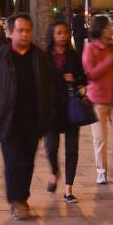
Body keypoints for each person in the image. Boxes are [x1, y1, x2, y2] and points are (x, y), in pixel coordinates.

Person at [0, 14, 55, 220]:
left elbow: (49, 89)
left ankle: (22, 197)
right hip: (8, 120)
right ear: (10, 33)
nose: (24, 34)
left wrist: (46, 118)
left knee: (27, 162)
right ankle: (16, 201)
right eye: (20, 30)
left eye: (28, 30)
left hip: (32, 120)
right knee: (13, 161)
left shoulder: (39, 57)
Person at [82, 15, 113, 185]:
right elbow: (89, 73)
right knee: (100, 138)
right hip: (97, 100)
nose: (110, 29)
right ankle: (101, 171)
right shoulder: (90, 48)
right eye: (107, 27)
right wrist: (107, 62)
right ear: (99, 29)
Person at [43, 20, 86, 204]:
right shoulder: (45, 57)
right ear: (52, 35)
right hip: (51, 108)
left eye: (65, 32)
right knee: (51, 147)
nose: (63, 35)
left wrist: (76, 81)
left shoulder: (73, 55)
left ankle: (68, 189)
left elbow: (82, 78)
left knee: (72, 149)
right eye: (59, 32)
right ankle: (54, 171)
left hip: (71, 108)